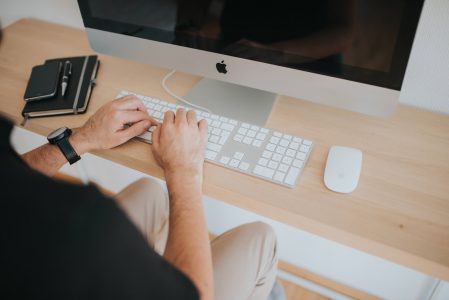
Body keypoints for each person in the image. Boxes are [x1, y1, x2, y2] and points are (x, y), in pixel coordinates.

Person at [0, 25, 279, 300]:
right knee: (260, 237)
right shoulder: (84, 221)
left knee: (149, 191)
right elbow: (192, 295)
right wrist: (183, 170)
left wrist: (80, 139)